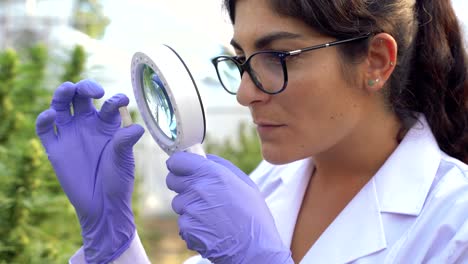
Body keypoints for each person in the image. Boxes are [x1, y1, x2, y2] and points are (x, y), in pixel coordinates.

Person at [35, 0, 468, 263]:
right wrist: (111, 241)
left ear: (375, 61)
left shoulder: (454, 223)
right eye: (241, 59)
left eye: (278, 57)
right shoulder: (264, 188)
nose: (245, 94)